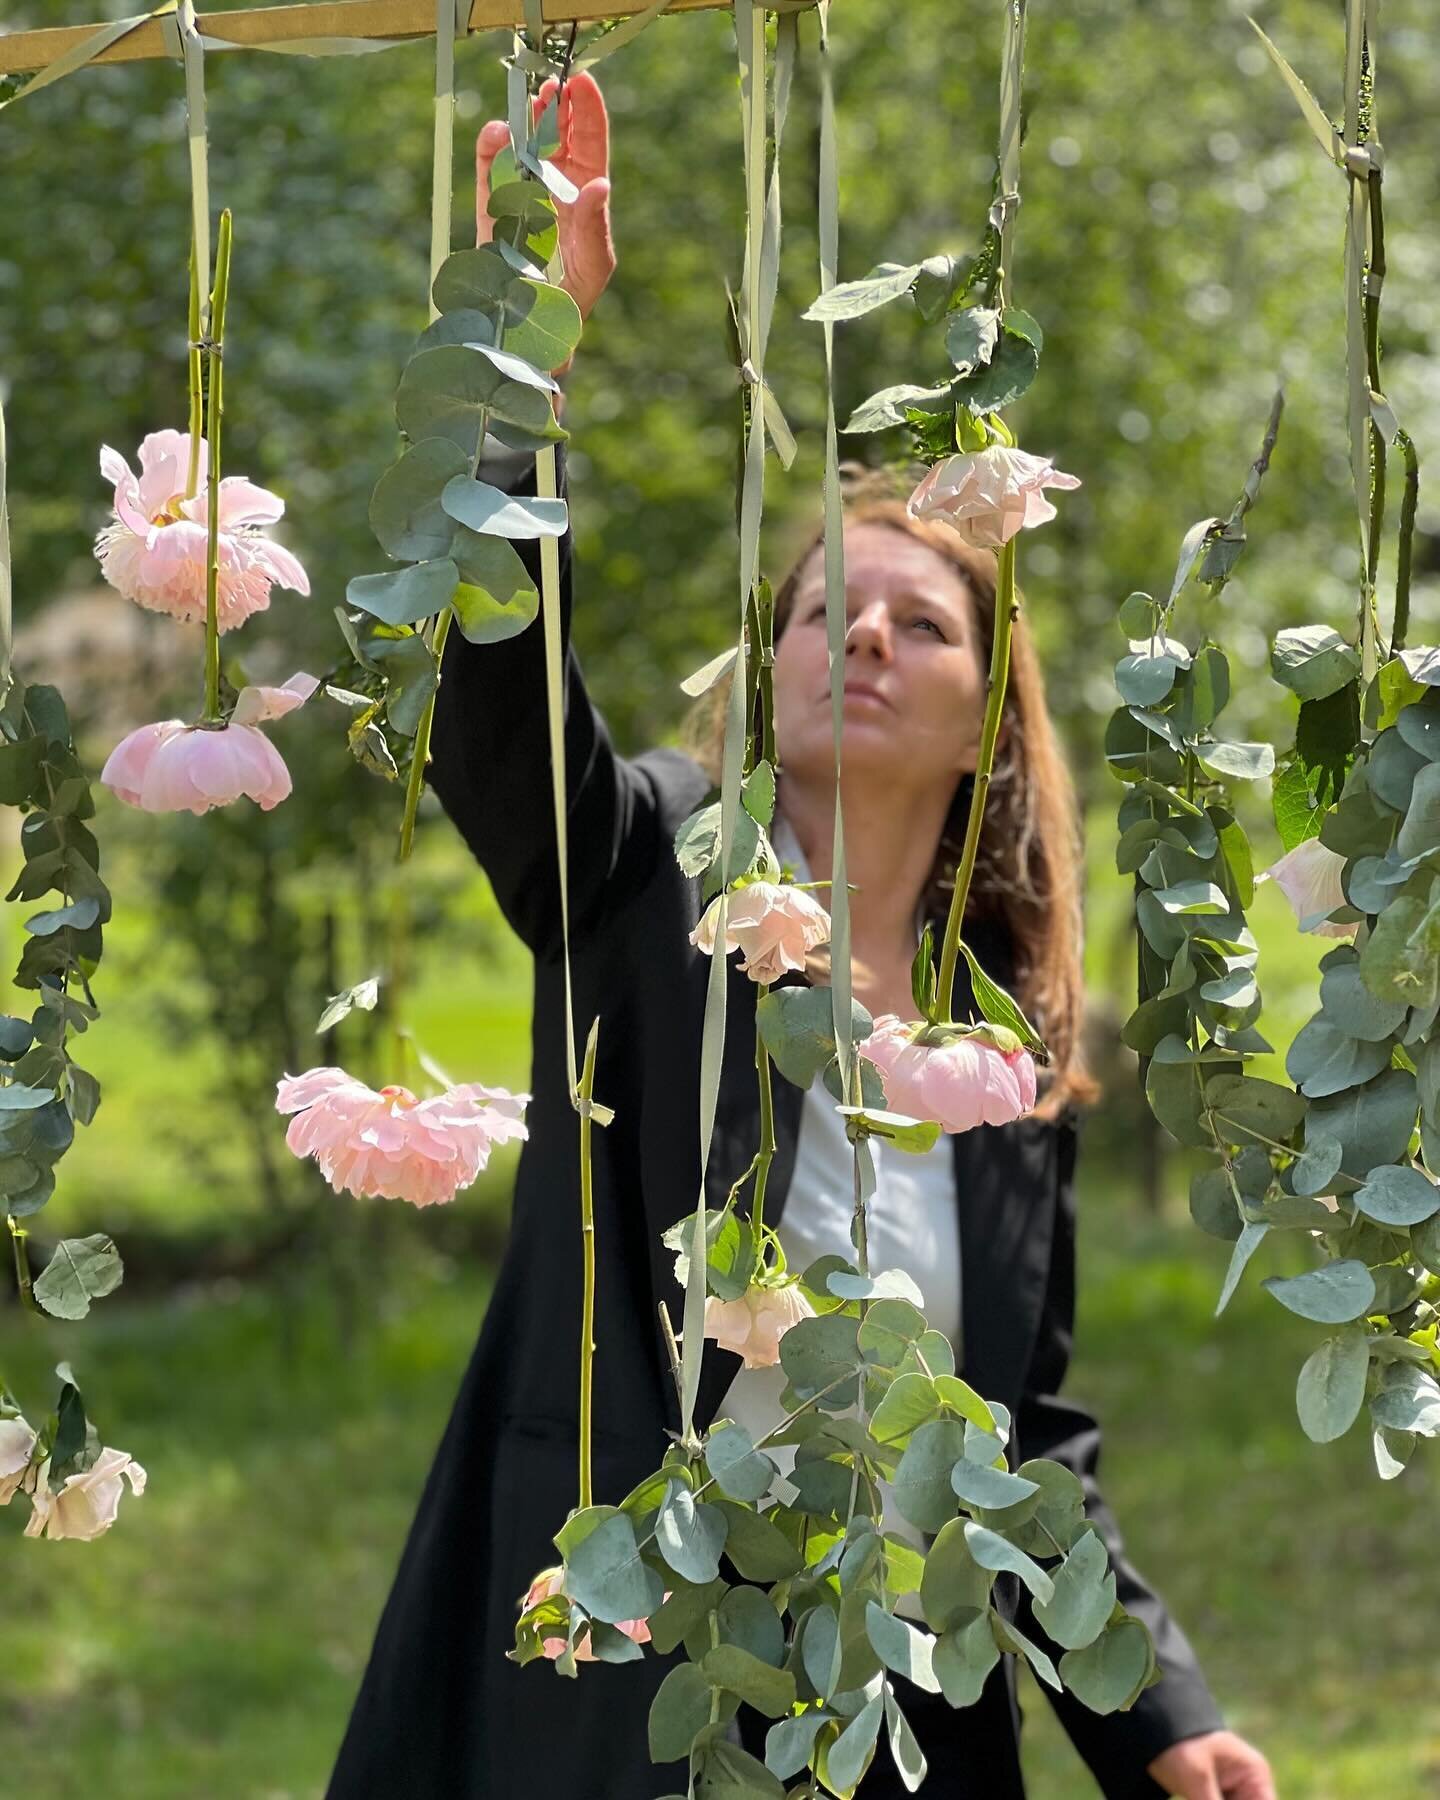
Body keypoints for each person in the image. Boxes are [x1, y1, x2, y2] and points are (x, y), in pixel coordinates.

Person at [325, 71, 1276, 1800]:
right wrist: (523, 351)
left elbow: (1020, 1435)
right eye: (823, 607)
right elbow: (494, 694)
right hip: (610, 1692)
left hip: (895, 1719)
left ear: (989, 715)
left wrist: (1165, 1715)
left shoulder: (1000, 1061)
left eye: (917, 623)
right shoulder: (647, 878)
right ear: (768, 666)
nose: (858, 636)